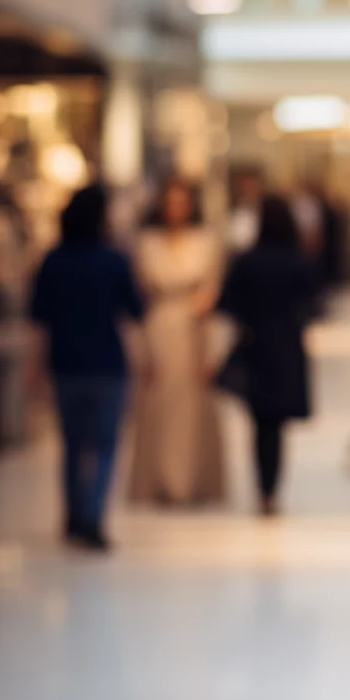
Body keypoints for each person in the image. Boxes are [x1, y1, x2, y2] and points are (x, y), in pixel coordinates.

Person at [28, 185, 145, 551]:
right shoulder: (114, 260)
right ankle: (92, 517)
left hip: (65, 364)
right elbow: (136, 312)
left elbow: (38, 320)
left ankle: (75, 514)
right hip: (106, 365)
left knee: (72, 445)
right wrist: (147, 356)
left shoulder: (53, 261)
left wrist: (34, 367)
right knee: (105, 446)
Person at [216, 196, 318, 516]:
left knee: (260, 422)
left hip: (255, 346)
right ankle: (271, 490)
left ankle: (263, 488)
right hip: (286, 348)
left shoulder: (247, 260)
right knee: (277, 425)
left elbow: (228, 303)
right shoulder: (298, 261)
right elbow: (314, 306)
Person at [128, 178, 227, 507]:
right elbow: (138, 295)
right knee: (159, 402)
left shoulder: (204, 242)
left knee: (191, 406)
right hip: (160, 326)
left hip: (193, 328)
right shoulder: (147, 243)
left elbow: (213, 284)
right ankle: (161, 480)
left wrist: (205, 305)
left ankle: (189, 480)